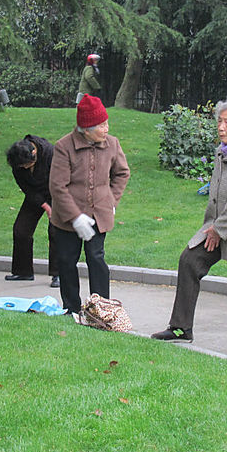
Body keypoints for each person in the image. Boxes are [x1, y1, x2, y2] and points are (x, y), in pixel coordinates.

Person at [151, 92, 227, 364]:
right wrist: (215, 229)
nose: (221, 127)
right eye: (219, 121)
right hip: (218, 229)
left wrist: (219, 229)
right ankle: (181, 327)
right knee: (189, 260)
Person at [49, 94, 130, 315]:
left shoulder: (112, 144)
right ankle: (71, 309)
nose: (106, 128)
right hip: (67, 219)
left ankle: (101, 308)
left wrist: (112, 201)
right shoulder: (64, 146)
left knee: (96, 258)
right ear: (86, 128)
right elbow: (57, 186)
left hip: (99, 215)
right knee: (66, 260)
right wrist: (75, 217)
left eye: (106, 123)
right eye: (101, 125)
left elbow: (122, 173)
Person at [5, 136, 59, 287]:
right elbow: (25, 187)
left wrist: (53, 206)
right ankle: (23, 271)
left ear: (34, 152)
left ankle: (58, 274)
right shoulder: (17, 162)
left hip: (56, 193)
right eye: (22, 167)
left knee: (56, 231)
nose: (25, 169)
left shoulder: (51, 153)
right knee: (21, 229)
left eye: (28, 165)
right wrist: (44, 205)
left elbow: (60, 180)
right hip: (35, 195)